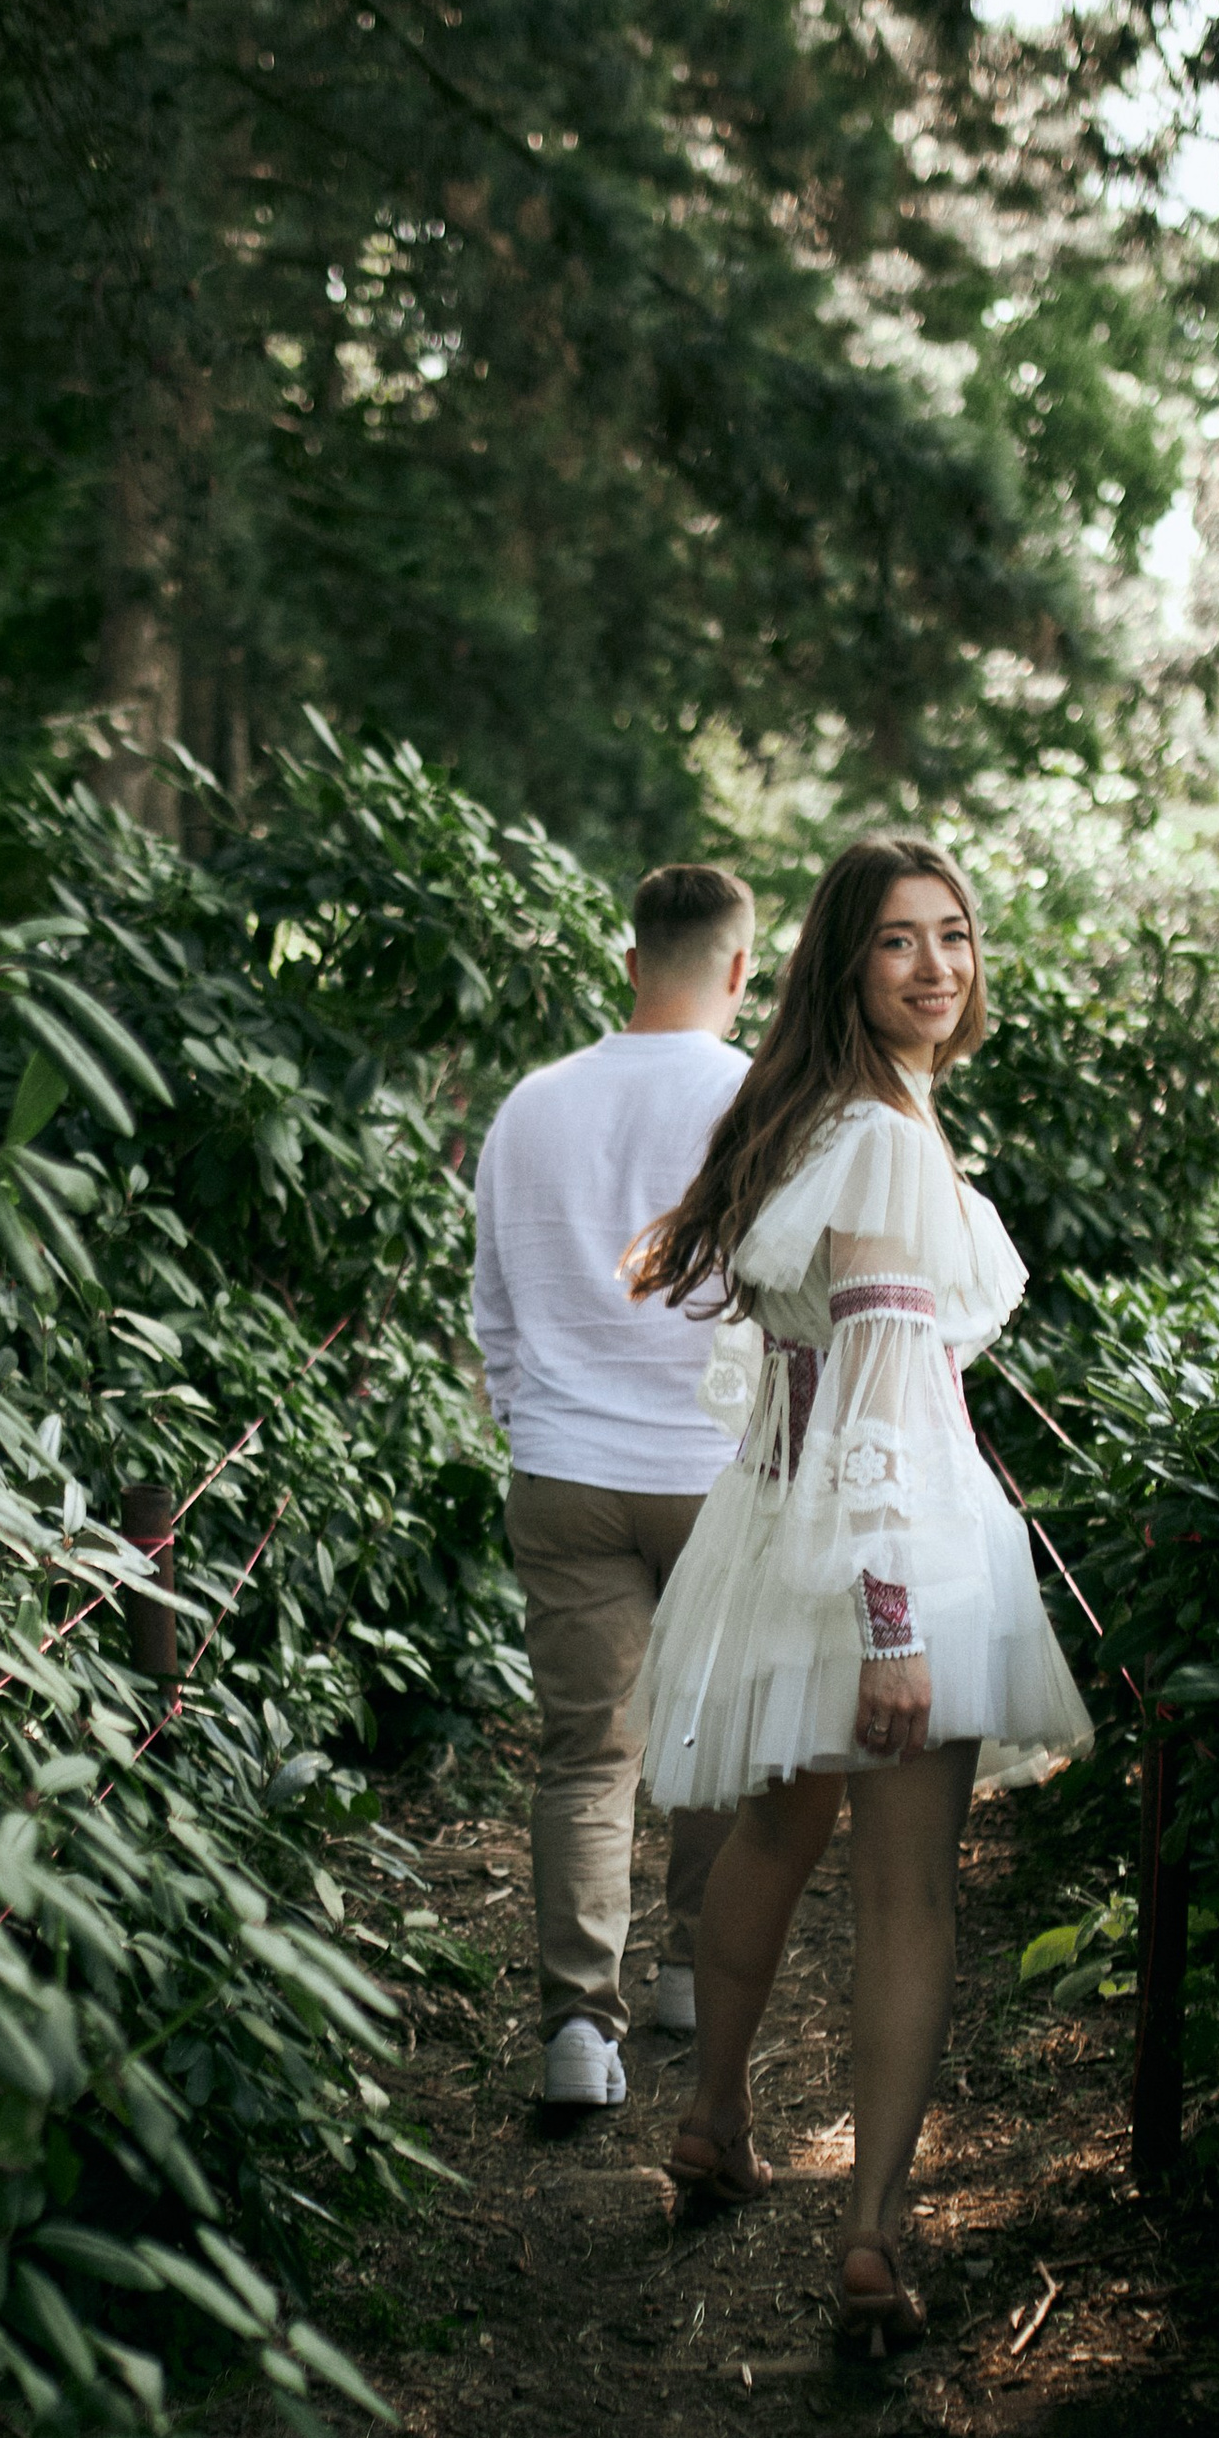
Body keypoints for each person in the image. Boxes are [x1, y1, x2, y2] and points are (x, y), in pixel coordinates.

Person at [627, 833, 1093, 2349]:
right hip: (891, 1549)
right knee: (907, 1891)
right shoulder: (883, 1140)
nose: (936, 967)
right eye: (899, 941)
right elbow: (886, 1394)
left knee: (776, 1823)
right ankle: (875, 2230)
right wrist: (893, 1625)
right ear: (844, 961)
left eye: (954, 936)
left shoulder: (820, 1116)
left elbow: (778, 1361)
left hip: (784, 1525)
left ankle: (712, 2120)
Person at [473, 861, 757, 2111]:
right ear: (741, 969)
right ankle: (692, 1974)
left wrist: (532, 1420)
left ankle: (578, 2033)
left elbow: (491, 1307)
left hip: (565, 1469)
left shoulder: (530, 1106)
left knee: (588, 1754)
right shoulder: (762, 1101)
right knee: (712, 1739)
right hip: (712, 1476)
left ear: (630, 961)